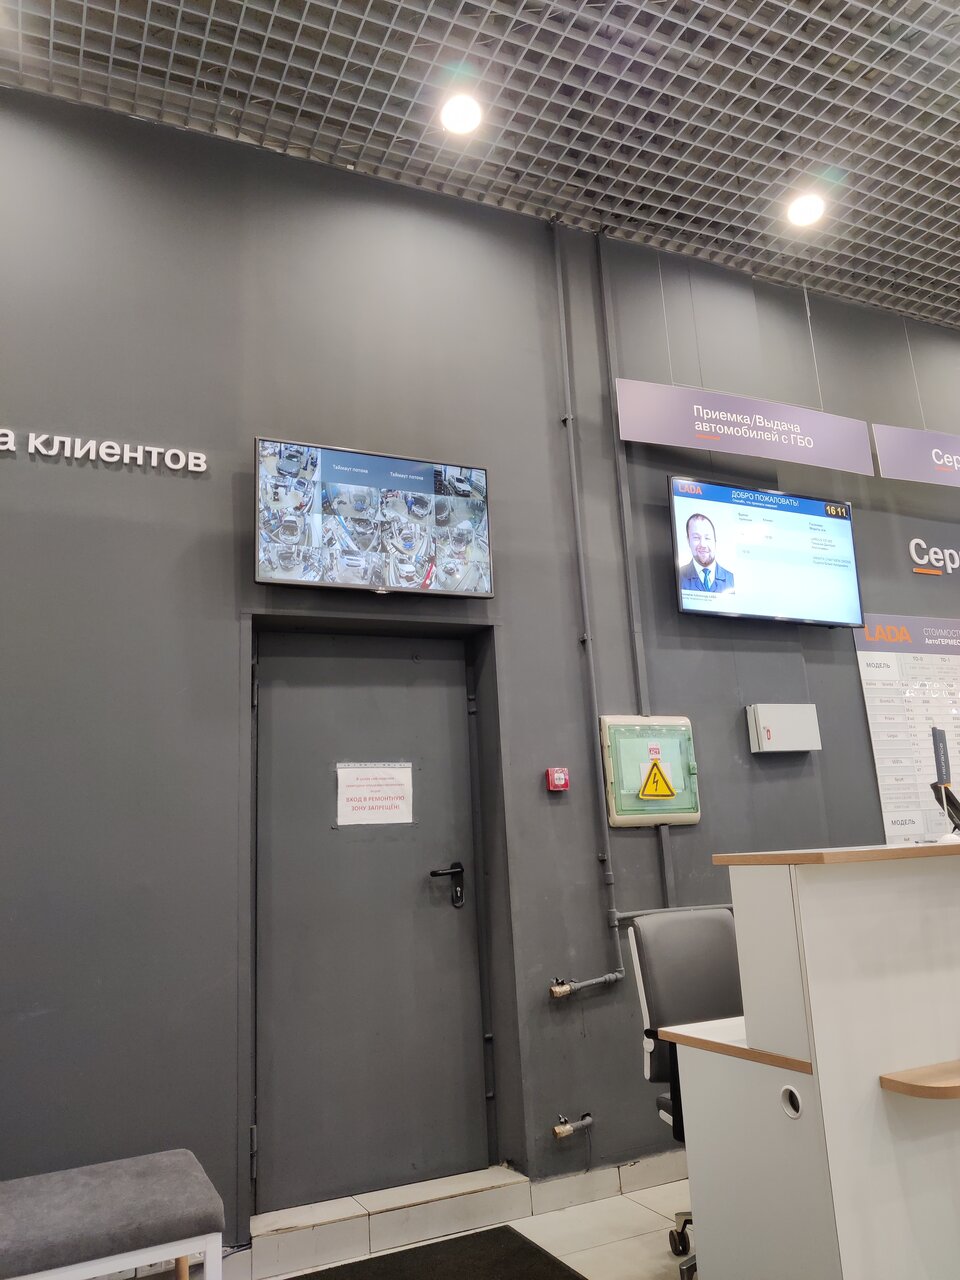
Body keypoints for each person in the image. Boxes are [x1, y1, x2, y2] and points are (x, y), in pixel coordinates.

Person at [679, 512, 735, 593]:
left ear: (715, 540)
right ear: (688, 541)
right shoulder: (677, 576)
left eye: (707, 538)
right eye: (696, 537)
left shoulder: (732, 579)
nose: (703, 544)